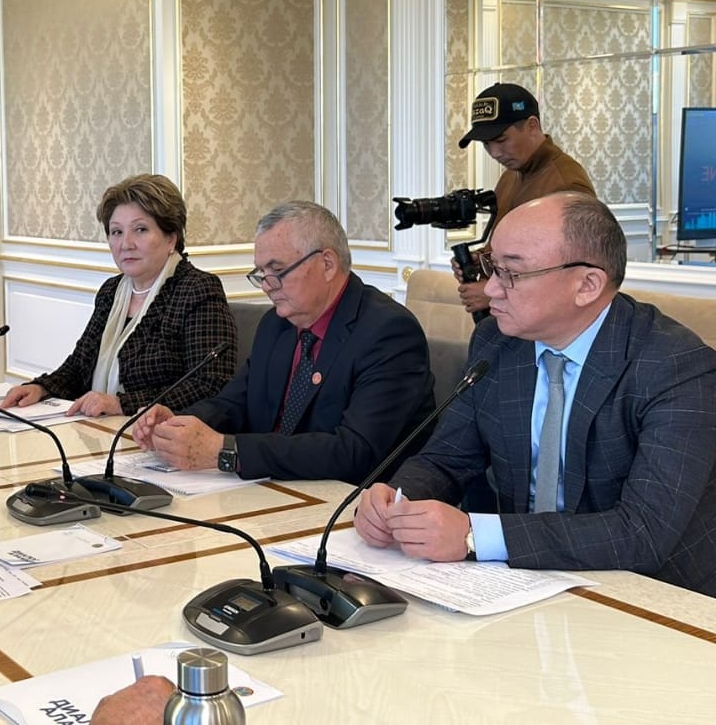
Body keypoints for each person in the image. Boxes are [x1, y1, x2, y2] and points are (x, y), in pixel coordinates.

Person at [356, 193, 716, 596]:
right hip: (527, 582)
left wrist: (475, 535)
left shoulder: (677, 367)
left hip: (659, 597)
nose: (491, 289)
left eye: (512, 273)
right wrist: (397, 500)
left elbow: (642, 533)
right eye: (492, 266)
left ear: (587, 285)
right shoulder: (496, 342)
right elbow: (447, 459)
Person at [133, 201, 434, 483]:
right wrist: (178, 424)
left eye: (277, 271)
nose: (266, 286)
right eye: (261, 273)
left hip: (347, 503)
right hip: (268, 489)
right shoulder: (275, 325)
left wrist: (228, 450)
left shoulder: (388, 333)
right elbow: (234, 404)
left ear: (327, 264)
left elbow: (353, 451)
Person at [2, 174, 236, 417]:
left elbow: (210, 383)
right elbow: (80, 365)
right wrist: (41, 388)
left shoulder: (197, 290)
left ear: (171, 238)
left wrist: (122, 404)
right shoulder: (111, 291)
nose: (126, 244)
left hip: (158, 432)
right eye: (116, 232)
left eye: (140, 230)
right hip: (99, 427)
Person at [454, 82, 594, 316]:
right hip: (512, 321)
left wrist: (494, 293)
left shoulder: (567, 184)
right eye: (487, 144)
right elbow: (520, 251)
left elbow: (573, 273)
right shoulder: (510, 176)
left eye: (501, 140)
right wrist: (484, 260)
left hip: (547, 326)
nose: (495, 153)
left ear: (532, 126)